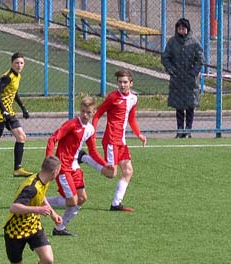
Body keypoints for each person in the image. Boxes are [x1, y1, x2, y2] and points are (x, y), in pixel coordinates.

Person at [44, 96, 114, 237]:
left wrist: (105, 163)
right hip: (63, 167)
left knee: (82, 199)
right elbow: (53, 139)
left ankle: (60, 228)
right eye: (82, 111)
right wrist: (49, 158)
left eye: (88, 112)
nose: (85, 115)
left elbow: (93, 151)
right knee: (72, 201)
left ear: (93, 112)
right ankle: (40, 201)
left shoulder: (90, 129)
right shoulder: (71, 124)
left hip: (74, 167)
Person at [3, 156, 62, 264]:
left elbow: (41, 198)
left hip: (33, 226)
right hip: (15, 230)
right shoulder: (31, 187)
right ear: (54, 172)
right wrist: (38, 210)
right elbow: (14, 207)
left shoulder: (44, 179)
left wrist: (52, 213)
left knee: (48, 259)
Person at [86, 69, 147, 212]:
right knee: (111, 174)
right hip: (111, 140)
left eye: (125, 82)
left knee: (128, 171)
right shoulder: (113, 97)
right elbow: (98, 114)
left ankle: (116, 204)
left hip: (122, 141)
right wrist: (93, 132)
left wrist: (139, 134)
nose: (122, 85)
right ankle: (85, 158)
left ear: (131, 83)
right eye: (120, 82)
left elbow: (131, 118)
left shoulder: (133, 98)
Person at [161, 17, 204, 138]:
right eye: (179, 28)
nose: (181, 30)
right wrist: (171, 70)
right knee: (179, 106)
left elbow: (200, 59)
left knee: (190, 105)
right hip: (177, 79)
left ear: (187, 29)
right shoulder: (172, 42)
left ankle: (188, 129)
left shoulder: (194, 42)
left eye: (183, 28)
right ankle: (180, 130)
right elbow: (165, 57)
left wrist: (193, 72)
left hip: (190, 80)